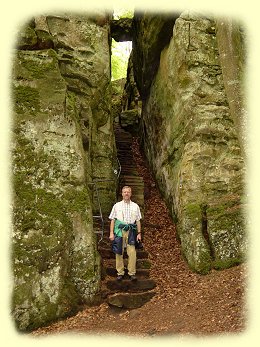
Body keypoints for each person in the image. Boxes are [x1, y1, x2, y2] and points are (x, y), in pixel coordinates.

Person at [109, 186, 142, 281]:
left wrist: (139, 233)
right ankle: (120, 272)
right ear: (122, 194)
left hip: (131, 231)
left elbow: (138, 221)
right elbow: (112, 220)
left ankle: (132, 273)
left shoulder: (135, 206)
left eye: (128, 192)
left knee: (132, 252)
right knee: (119, 251)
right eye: (124, 192)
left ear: (131, 194)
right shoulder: (117, 206)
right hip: (119, 231)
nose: (126, 193)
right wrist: (111, 233)